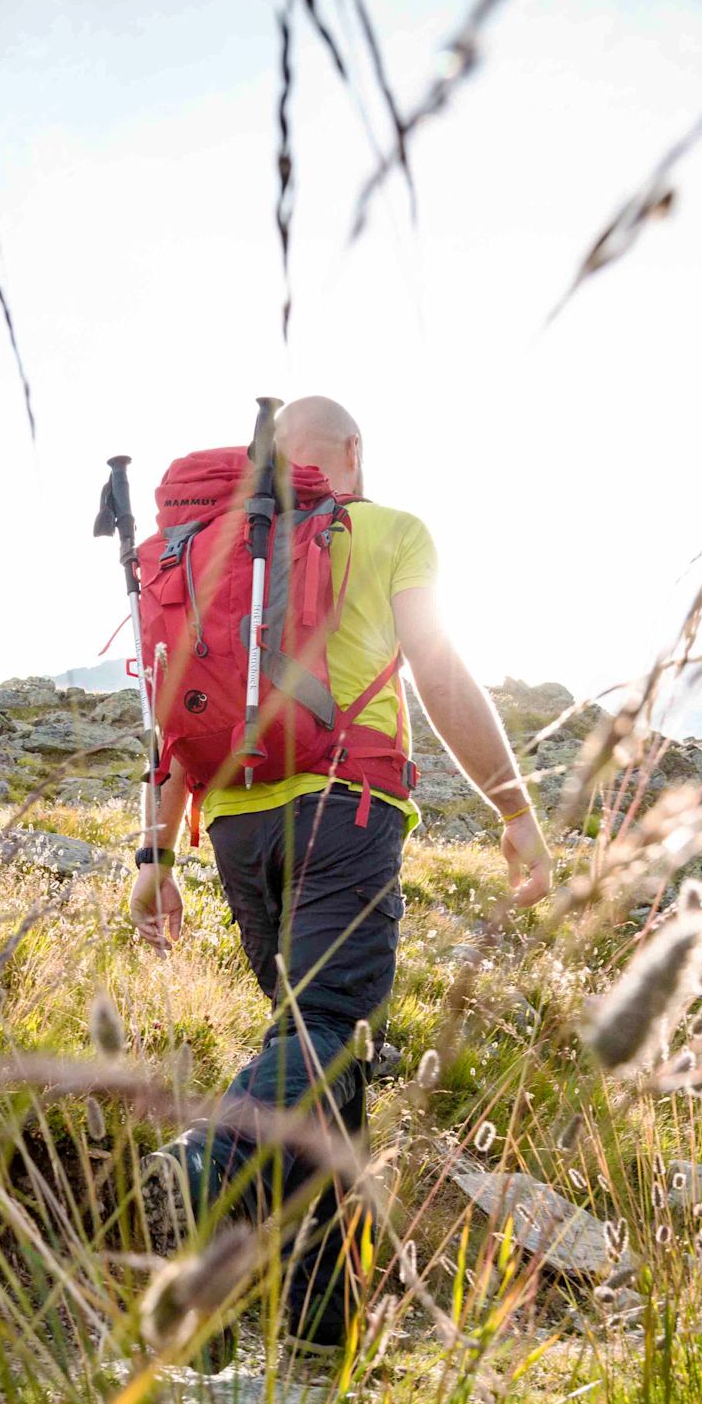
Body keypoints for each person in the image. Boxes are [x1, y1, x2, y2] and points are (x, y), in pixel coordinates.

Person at [128, 395, 552, 1355]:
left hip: (234, 825)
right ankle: (212, 1161)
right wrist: (515, 807)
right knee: (329, 1030)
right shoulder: (390, 530)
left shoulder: (207, 547)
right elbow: (438, 673)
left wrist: (155, 858)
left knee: (321, 1072)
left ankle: (320, 1340)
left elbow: (169, 710)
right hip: (346, 807)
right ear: (352, 452)